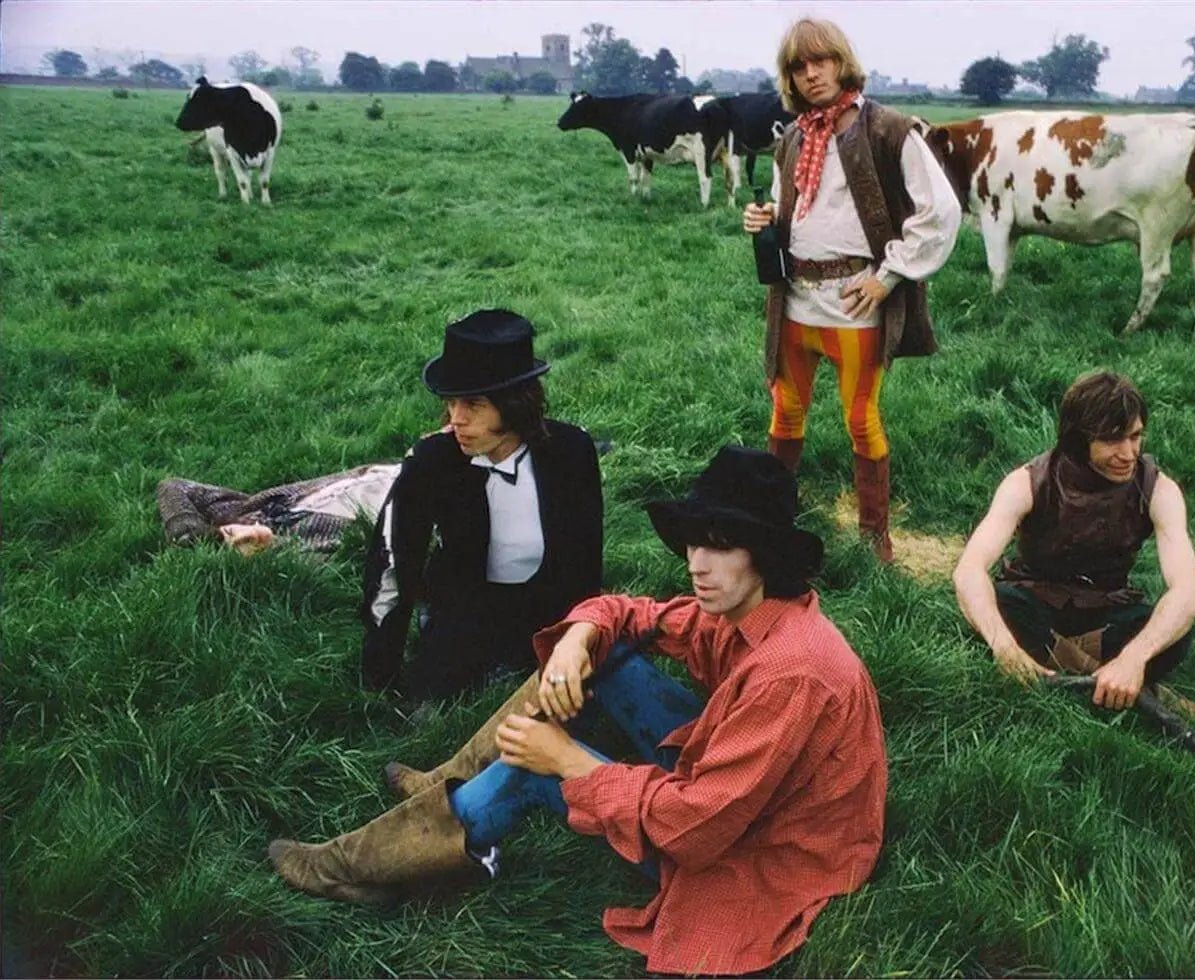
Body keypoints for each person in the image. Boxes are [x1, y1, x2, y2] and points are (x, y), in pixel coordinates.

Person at [269, 446, 888, 977]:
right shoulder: (752, 607)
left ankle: (354, 868)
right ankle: (442, 789)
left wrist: (568, 762)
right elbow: (631, 613)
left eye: (721, 545)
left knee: (538, 765)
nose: (697, 563)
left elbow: (696, 830)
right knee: (601, 651)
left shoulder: (792, 673)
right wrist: (573, 643)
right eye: (694, 540)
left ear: (766, 554)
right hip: (741, 790)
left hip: (772, 848)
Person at [742, 16, 960, 562]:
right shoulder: (792, 138)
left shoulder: (889, 129)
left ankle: (873, 538)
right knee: (784, 412)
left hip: (854, 305)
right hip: (795, 302)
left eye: (821, 61)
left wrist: (887, 278)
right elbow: (793, 208)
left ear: (841, 62)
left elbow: (940, 211)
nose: (811, 74)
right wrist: (766, 216)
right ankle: (775, 522)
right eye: (798, 65)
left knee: (861, 418)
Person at [360, 308, 604, 702]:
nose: (456, 419)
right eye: (451, 403)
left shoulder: (569, 452)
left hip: (544, 609)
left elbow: (586, 562)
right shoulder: (432, 461)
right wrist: (379, 673)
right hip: (464, 610)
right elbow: (392, 562)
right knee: (434, 697)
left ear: (514, 403)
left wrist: (581, 637)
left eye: (473, 405)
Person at [952, 370, 1195, 711]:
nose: (1129, 453)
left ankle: (1065, 673)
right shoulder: (1027, 483)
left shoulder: (1159, 490)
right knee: (997, 608)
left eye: (1135, 437)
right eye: (1113, 440)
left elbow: (1188, 593)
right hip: (1035, 603)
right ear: (1079, 439)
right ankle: (1120, 687)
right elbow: (969, 570)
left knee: (1173, 633)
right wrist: (1003, 645)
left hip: (1106, 611)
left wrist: (1133, 657)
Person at [157, 463, 401, 555]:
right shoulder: (302, 543)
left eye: (229, 532)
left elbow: (173, 486)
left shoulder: (241, 511)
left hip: (388, 473)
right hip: (403, 496)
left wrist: (199, 536)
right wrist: (270, 546)